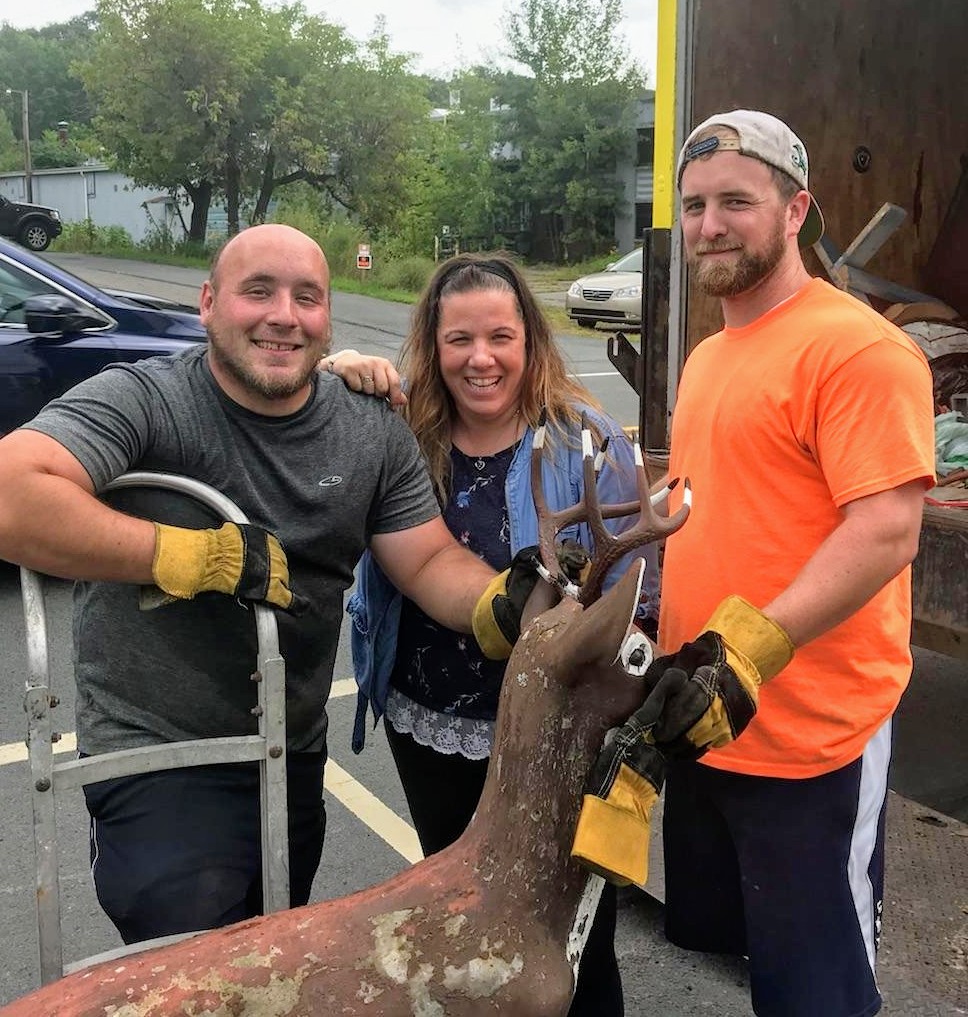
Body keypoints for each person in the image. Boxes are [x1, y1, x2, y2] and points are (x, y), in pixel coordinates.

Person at [0, 224, 538, 945]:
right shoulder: (147, 399)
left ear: (326, 318)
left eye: (306, 297)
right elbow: (12, 495)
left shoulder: (369, 430)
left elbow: (429, 560)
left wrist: (496, 605)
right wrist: (187, 557)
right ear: (208, 304)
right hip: (158, 752)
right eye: (259, 291)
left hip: (286, 748)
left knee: (273, 943)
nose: (284, 314)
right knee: (194, 950)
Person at [574, 111, 936, 1017]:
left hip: (814, 737)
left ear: (795, 209)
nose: (709, 224)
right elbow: (700, 505)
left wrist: (754, 645)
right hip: (709, 719)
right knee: (759, 967)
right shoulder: (709, 357)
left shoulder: (857, 349)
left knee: (822, 990)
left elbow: (885, 530)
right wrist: (614, 583)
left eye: (737, 199)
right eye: (695, 205)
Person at [329, 253, 660, 1017]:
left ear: (530, 342)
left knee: (571, 936)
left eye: (501, 336)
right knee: (459, 927)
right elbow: (297, 411)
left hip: (560, 742)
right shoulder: (400, 436)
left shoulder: (588, 441)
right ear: (433, 345)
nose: (481, 358)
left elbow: (641, 593)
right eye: (459, 339)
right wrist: (338, 367)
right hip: (433, 725)